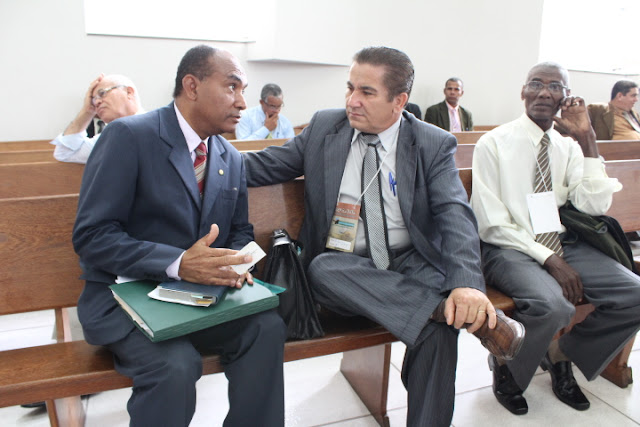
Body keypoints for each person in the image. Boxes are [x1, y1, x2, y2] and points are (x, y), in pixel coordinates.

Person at [243, 46, 524, 427]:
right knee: (323, 270)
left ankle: (440, 315)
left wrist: (467, 286)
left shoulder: (430, 143)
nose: (352, 101)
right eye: (350, 88)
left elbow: (454, 214)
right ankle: (446, 311)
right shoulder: (325, 127)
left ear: (399, 101)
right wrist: (204, 159)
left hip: (409, 262)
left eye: (367, 92)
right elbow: (265, 164)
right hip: (345, 271)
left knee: (439, 329)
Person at [72, 45, 286, 426]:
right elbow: (92, 236)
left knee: (266, 328)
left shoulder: (230, 157)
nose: (242, 102)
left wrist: (236, 263)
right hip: (125, 298)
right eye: (232, 87)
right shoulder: (129, 137)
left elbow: (239, 230)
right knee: (175, 365)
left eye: (243, 90)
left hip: (198, 298)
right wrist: (177, 263)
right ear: (192, 86)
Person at [471, 62, 640, 416]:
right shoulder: (494, 143)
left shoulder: (569, 146)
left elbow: (594, 205)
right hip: (509, 247)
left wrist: (588, 140)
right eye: (536, 84)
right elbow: (490, 223)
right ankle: (506, 363)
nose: (545, 92)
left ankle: (560, 354)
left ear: (566, 96)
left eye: (555, 86)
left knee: (635, 294)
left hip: (563, 243)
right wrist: (549, 259)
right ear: (523, 91)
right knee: (554, 307)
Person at [50, 74, 143, 163]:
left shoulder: (151, 125)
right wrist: (87, 111)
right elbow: (64, 153)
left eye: (102, 93)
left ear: (129, 92)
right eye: (93, 99)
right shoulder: (110, 138)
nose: (97, 102)